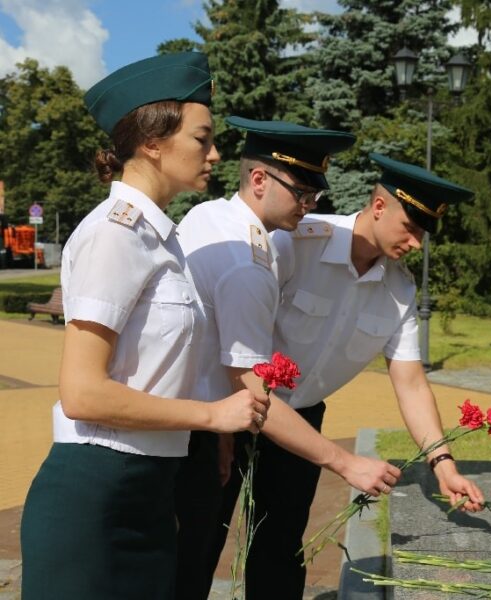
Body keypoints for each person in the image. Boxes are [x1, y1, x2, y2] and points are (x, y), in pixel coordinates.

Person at [19, 52, 265, 600]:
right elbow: (82, 392)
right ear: (153, 142)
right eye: (202, 139)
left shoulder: (162, 238)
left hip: (147, 491)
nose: (215, 153)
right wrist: (213, 415)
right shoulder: (115, 234)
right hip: (96, 496)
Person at [212, 152, 486, 600]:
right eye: (411, 228)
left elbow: (411, 382)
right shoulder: (296, 241)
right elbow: (233, 335)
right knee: (202, 535)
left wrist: (444, 464)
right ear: (379, 207)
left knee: (280, 549)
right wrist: (223, 425)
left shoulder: (399, 291)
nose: (417, 243)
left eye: (424, 234)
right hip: (233, 408)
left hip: (299, 424)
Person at [174, 117, 403, 600]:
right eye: (301, 191)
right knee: (190, 554)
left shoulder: (208, 216)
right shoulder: (250, 264)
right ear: (259, 180)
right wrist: (346, 463)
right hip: (196, 426)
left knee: (196, 553)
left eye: (314, 196)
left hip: (204, 417)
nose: (310, 205)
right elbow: (250, 386)